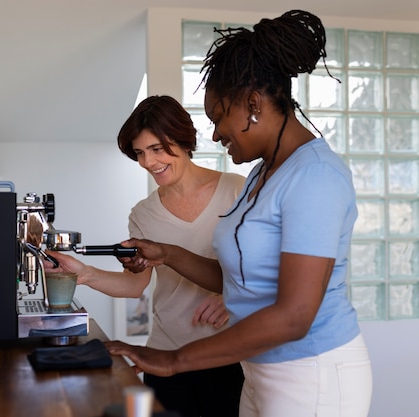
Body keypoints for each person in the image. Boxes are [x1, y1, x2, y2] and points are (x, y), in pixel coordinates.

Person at [104, 10, 373, 417]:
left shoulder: (315, 175)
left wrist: (174, 360)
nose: (213, 134)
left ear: (252, 104)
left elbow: (294, 316)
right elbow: (238, 280)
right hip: (261, 371)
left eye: (217, 117)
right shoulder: (261, 176)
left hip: (311, 373)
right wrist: (167, 253)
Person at [46, 95, 245, 417]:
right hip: (164, 353)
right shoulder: (144, 213)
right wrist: (82, 273)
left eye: (157, 149)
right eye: (140, 152)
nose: (148, 162)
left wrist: (233, 296)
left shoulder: (236, 191)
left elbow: (263, 270)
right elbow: (134, 286)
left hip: (226, 352)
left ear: (184, 140)